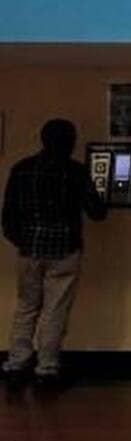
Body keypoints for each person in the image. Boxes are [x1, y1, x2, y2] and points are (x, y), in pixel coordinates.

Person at [1, 119, 106, 384]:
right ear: (70, 142)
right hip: (64, 249)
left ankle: (16, 363)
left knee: (26, 307)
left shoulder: (21, 169)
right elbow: (97, 212)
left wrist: (21, 240)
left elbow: (8, 215)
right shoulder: (76, 172)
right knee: (54, 310)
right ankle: (46, 367)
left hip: (29, 248)